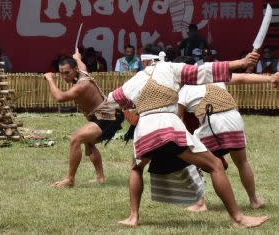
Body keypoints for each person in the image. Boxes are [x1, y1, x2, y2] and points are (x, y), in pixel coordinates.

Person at [112, 50, 269, 228]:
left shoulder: (136, 79)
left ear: (145, 62)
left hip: (145, 131)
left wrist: (126, 114)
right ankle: (238, 218)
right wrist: (240, 62)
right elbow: (204, 70)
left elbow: (112, 101)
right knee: (216, 165)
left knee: (136, 168)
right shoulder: (171, 68)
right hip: (169, 127)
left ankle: (133, 217)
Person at [177, 72, 279, 211]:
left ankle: (200, 203)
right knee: (242, 162)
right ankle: (254, 200)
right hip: (234, 119)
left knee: (188, 159)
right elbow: (242, 77)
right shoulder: (214, 77)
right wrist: (270, 78)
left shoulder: (184, 90)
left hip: (213, 123)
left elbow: (178, 120)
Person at [43, 51, 124, 188]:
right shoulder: (82, 70)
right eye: (61, 73)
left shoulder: (82, 84)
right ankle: (100, 177)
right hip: (103, 115)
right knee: (88, 143)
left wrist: (51, 80)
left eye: (67, 73)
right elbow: (80, 62)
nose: (64, 77)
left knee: (76, 138)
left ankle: (70, 180)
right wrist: (77, 56)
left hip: (107, 116)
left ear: (75, 70)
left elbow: (60, 97)